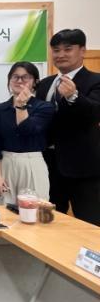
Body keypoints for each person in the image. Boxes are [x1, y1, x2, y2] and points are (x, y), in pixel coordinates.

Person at [36, 29, 100, 225]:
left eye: (68, 49)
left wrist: (74, 96)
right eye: (56, 50)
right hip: (47, 167)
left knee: (89, 225)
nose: (61, 54)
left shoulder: (96, 80)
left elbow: (94, 113)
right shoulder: (45, 84)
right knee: (48, 224)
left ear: (83, 50)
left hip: (84, 170)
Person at [0, 62, 54, 205]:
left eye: (25, 77)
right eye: (15, 77)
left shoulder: (44, 107)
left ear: (35, 82)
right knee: (3, 209)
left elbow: (27, 130)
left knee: (35, 209)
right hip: (5, 163)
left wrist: (21, 106)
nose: (19, 81)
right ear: (9, 80)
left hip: (32, 162)